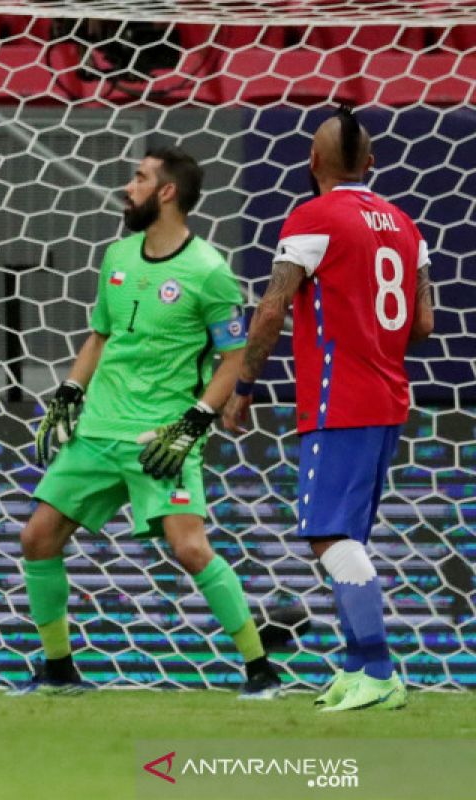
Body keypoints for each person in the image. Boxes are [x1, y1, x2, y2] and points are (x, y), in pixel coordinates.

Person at [17, 146, 283, 698]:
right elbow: (101, 335)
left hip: (160, 435)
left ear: (166, 192)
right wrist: (71, 388)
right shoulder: (116, 255)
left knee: (189, 549)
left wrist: (194, 422)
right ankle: (60, 670)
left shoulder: (209, 272)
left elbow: (233, 358)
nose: (128, 188)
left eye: (139, 179)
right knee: (38, 537)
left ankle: (260, 670)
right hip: (98, 430)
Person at [224, 106, 433, 712]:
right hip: (389, 398)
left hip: (337, 399)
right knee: (351, 539)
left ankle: (381, 670)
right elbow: (423, 323)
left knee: (329, 536)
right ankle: (353, 668)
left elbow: (270, 309)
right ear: (371, 164)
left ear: (313, 163)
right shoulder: (405, 224)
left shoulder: (312, 217)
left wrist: (243, 386)